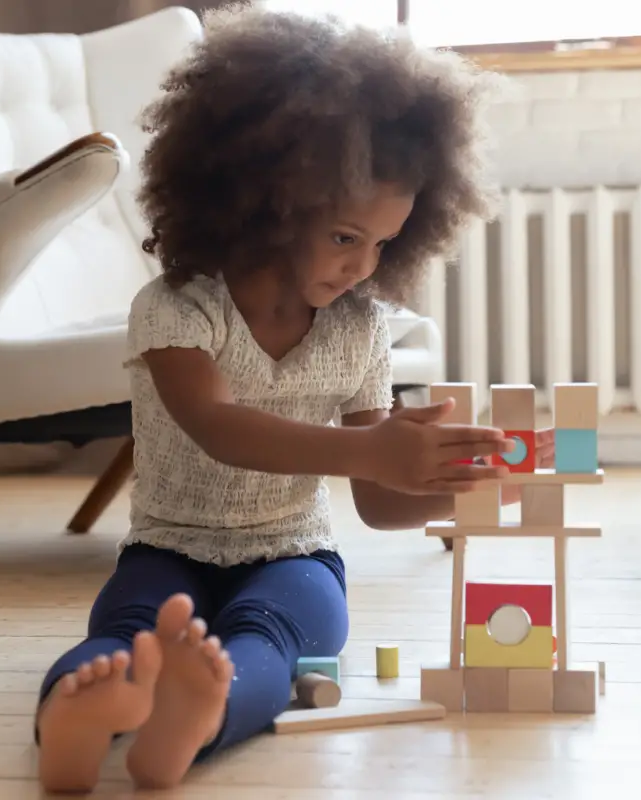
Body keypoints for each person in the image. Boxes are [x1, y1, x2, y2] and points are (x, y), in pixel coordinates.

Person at [34, 2, 554, 792]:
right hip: (166, 546)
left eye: (384, 243)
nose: (362, 265)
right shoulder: (180, 309)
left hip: (294, 554)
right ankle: (74, 718)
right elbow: (218, 427)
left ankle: (194, 720)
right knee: (126, 631)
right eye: (346, 236)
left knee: (280, 638)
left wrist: (463, 482)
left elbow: (377, 502)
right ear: (265, 203)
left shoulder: (359, 329)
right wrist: (371, 448)